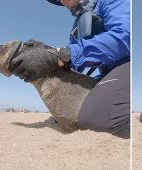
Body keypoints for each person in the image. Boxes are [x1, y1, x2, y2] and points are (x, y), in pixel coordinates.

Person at [9, 0, 130, 138]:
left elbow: (124, 36)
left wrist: (60, 55)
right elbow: (76, 63)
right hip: (106, 74)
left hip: (128, 64)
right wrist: (46, 54)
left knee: (94, 117)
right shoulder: (77, 28)